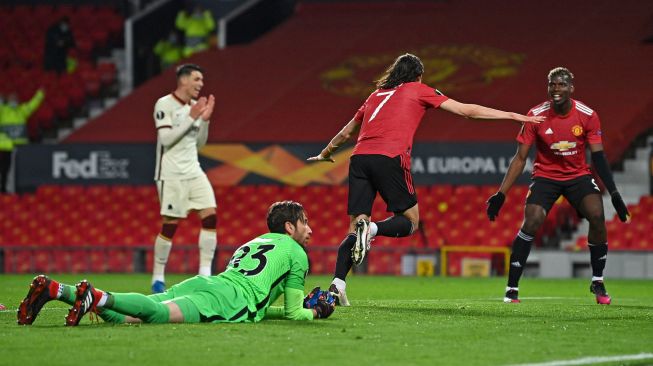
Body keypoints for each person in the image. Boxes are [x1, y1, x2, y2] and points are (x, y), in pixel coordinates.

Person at [307, 53, 544, 306]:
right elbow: (467, 111)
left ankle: (338, 285)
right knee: (410, 221)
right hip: (390, 157)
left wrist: (325, 153)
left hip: (359, 159)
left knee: (355, 227)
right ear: (418, 75)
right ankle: (374, 229)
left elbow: (345, 133)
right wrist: (513, 116)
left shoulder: (374, 96)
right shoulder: (418, 90)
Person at [17, 201, 336, 326]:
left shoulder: (254, 241)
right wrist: (316, 311)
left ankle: (59, 289)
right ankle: (97, 297)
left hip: (208, 283)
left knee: (129, 318)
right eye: (305, 222)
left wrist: (290, 309)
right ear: (289, 228)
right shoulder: (298, 255)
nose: (310, 229)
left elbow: (264, 306)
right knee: (155, 316)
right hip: (229, 300)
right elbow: (296, 314)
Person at [486, 67, 630, 305]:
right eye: (552, 84)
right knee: (531, 220)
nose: (556, 89)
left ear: (571, 88)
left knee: (596, 215)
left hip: (578, 176)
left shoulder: (588, 115)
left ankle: (597, 280)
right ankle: (512, 288)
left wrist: (614, 193)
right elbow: (520, 158)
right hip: (546, 177)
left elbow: (599, 157)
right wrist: (501, 194)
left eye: (561, 84)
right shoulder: (535, 115)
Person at [151, 63, 217, 294]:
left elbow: (199, 143)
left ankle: (205, 274)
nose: (201, 84)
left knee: (210, 216)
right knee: (171, 224)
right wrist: (191, 117)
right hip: (170, 173)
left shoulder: (194, 107)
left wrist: (205, 120)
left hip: (194, 170)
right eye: (197, 79)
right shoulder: (164, 104)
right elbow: (167, 139)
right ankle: (158, 277)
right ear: (184, 80)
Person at [0, 89, 45, 193]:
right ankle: (3, 189)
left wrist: (40, 94)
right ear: (7, 100)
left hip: (20, 147)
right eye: (11, 99)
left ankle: (19, 189)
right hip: (5, 146)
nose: (14, 101)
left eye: (15, 99)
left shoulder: (22, 111)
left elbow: (33, 105)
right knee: (5, 169)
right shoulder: (3, 111)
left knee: (19, 170)